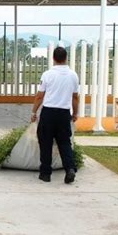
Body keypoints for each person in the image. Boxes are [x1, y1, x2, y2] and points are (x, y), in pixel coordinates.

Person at [31, 46, 79, 184]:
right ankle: (69, 169)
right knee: (65, 142)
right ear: (66, 58)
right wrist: (75, 113)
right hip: (64, 113)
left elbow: (40, 96)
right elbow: (75, 97)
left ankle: (45, 173)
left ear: (53, 58)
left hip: (49, 113)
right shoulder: (73, 75)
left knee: (45, 142)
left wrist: (34, 112)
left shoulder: (47, 75)